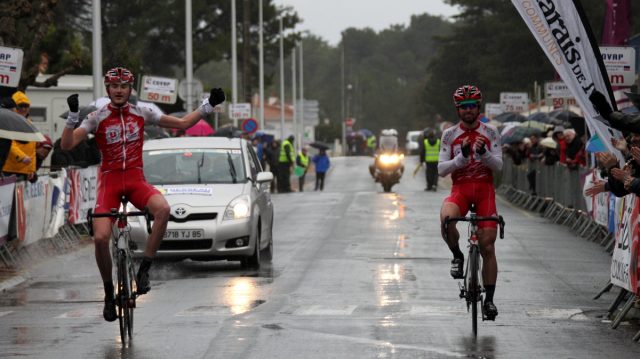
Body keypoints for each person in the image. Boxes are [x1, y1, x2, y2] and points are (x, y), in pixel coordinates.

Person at [60, 67, 225, 322]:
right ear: (108, 89)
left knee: (164, 210)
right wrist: (72, 117)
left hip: (136, 179)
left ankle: (144, 270)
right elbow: (67, 144)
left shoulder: (143, 112)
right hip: (110, 181)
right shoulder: (97, 116)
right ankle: (107, 293)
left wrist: (209, 105)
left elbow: (181, 123)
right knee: (101, 238)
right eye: (114, 86)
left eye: (123, 86)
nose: (118, 91)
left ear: (130, 90)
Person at [437, 85, 502, 320]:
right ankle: (457, 255)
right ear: (457, 110)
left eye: (472, 106)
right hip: (461, 190)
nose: (468, 111)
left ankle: (490, 301)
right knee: (446, 218)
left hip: (485, 190)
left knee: (487, 245)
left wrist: (485, 155)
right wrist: (460, 158)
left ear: (478, 107)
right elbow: (441, 170)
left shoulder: (491, 132)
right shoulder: (449, 135)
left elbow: (499, 166)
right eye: (463, 107)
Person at [3, 91, 37, 182]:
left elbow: (32, 150)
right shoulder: (7, 122)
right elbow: (9, 144)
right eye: (20, 106)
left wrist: (31, 169)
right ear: (14, 108)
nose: (23, 109)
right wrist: (22, 157)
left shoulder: (30, 123)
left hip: (25, 170)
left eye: (26, 106)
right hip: (8, 170)